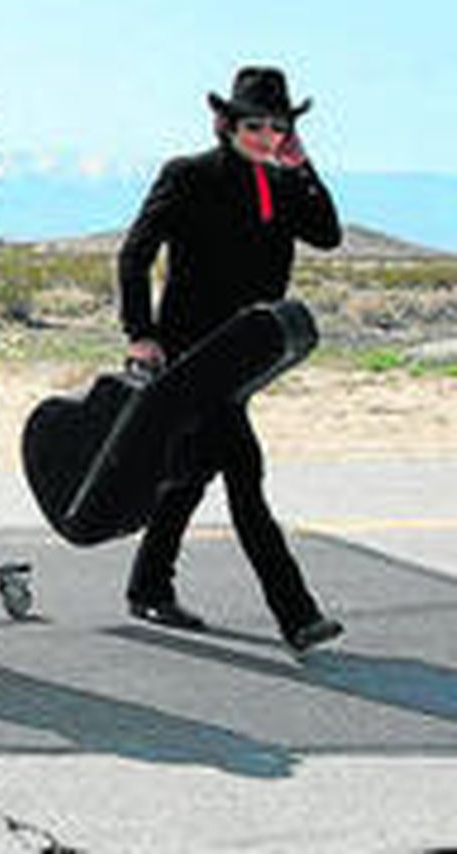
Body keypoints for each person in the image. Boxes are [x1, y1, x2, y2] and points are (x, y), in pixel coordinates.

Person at [118, 65, 344, 653]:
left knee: (192, 471)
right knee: (245, 472)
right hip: (191, 356)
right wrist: (140, 333)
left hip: (245, 357)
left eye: (278, 127)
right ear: (227, 124)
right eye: (255, 126)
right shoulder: (188, 175)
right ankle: (297, 614)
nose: (268, 137)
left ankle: (148, 585)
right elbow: (135, 254)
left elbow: (329, 234)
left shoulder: (284, 184)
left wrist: (302, 166)